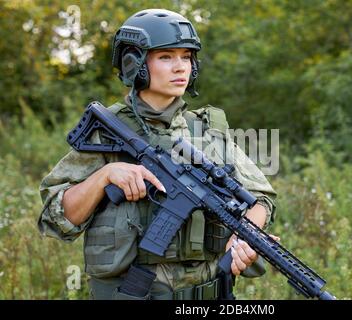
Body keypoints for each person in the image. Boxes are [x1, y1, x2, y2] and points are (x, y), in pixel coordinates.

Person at [38, 8, 277, 300]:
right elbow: (54, 215)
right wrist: (104, 176)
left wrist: (245, 237)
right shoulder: (108, 133)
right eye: (166, 57)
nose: (181, 67)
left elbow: (261, 199)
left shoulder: (209, 131)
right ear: (133, 64)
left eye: (186, 57)